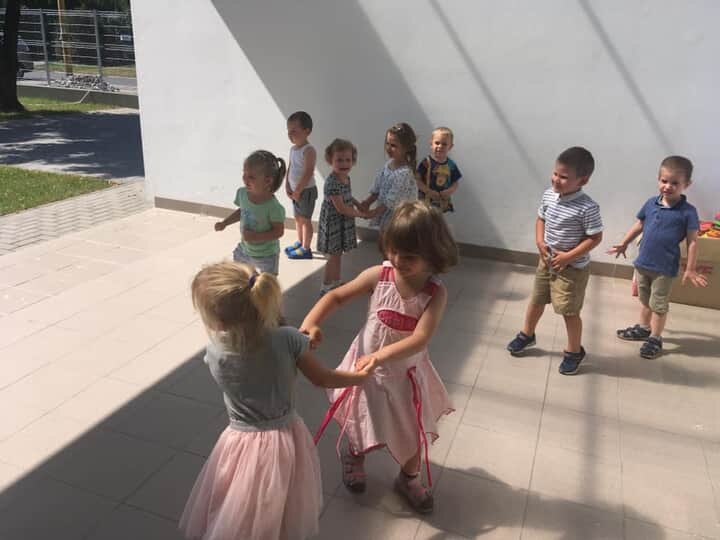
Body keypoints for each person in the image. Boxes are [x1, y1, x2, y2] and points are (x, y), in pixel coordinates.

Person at [179, 261, 377, 540]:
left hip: (238, 441)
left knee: (239, 500)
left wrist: (297, 342)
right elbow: (323, 378)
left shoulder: (215, 352)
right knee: (280, 501)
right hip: (284, 439)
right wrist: (358, 377)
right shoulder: (288, 340)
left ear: (218, 322)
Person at [300, 201, 458, 514]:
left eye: (409, 256)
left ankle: (408, 478)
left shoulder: (435, 293)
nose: (398, 260)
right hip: (365, 373)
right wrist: (311, 322)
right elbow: (337, 296)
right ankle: (354, 455)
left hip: (406, 377)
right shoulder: (379, 275)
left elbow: (420, 338)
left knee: (412, 432)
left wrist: (381, 355)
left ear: (433, 254)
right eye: (393, 250)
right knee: (361, 420)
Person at [506, 147, 603, 375]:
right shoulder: (549, 195)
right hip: (547, 262)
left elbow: (595, 237)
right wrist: (540, 241)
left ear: (583, 180)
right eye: (555, 173)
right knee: (536, 300)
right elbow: (541, 218)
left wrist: (569, 256)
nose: (556, 180)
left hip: (572, 269)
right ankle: (527, 334)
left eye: (564, 177)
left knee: (569, 311)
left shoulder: (588, 207)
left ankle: (574, 351)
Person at [609, 156, 707, 359]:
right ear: (658, 179)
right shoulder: (650, 204)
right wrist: (624, 242)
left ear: (687, 185)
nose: (668, 186)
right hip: (643, 264)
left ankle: (655, 337)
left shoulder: (688, 212)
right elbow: (639, 225)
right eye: (664, 181)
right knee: (646, 301)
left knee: (659, 305)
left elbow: (693, 241)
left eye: (675, 183)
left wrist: (690, 268)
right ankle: (644, 328)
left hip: (664, 269)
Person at [214, 150, 286, 275]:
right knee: (240, 276)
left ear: (268, 181)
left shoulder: (273, 207)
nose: (245, 179)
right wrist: (225, 223)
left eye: (251, 177)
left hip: (267, 255)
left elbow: (278, 231)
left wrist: (255, 237)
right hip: (245, 250)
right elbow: (242, 211)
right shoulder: (242, 194)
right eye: (244, 174)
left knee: (266, 284)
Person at [316, 138, 367, 295]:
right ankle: (325, 286)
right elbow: (342, 208)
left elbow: (348, 196)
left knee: (338, 255)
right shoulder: (332, 182)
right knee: (333, 256)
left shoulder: (346, 178)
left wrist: (358, 204)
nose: (344, 164)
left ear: (353, 161)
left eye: (348, 160)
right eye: (339, 160)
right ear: (330, 160)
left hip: (342, 222)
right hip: (333, 223)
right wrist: (361, 214)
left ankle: (336, 282)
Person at [359, 122, 419, 230]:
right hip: (385, 215)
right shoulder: (388, 165)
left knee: (394, 239)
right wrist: (367, 202)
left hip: (399, 219)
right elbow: (377, 188)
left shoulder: (404, 173)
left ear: (406, 148)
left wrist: (372, 213)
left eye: (393, 145)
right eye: (387, 143)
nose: (388, 148)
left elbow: (390, 201)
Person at [284, 111, 318, 260]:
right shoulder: (293, 149)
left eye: (294, 131)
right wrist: (287, 185)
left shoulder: (309, 150)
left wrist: (298, 190)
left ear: (307, 131)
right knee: (297, 218)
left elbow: (308, 172)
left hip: (306, 191)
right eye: (288, 131)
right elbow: (290, 167)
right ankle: (300, 241)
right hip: (295, 191)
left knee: (305, 219)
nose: (290, 134)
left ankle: (306, 248)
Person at [416, 127, 463, 213]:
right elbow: (417, 180)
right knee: (425, 219)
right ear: (431, 144)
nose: (440, 146)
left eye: (444, 144)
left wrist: (449, 191)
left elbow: (455, 182)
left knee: (438, 219)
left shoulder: (451, 165)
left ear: (450, 147)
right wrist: (428, 191)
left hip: (442, 202)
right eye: (437, 143)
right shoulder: (426, 162)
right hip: (425, 202)